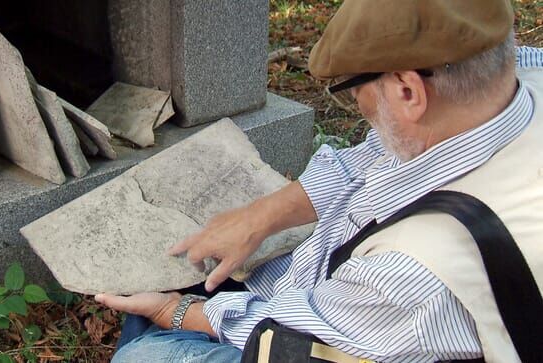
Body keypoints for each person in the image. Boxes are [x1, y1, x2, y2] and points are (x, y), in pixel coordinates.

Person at [95, 0, 543, 362]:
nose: (359, 105)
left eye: (354, 90)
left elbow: (290, 342)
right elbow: (366, 159)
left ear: (408, 91)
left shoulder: (414, 271)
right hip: (357, 306)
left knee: (145, 354)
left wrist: (172, 312)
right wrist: (258, 217)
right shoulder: (512, 79)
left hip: (349, 339)